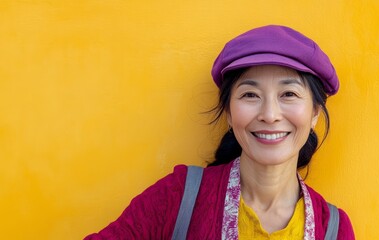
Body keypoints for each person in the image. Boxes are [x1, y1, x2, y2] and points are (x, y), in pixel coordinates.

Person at [85, 25, 355, 239]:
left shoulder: (333, 228)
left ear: (315, 114)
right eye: (250, 94)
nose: (270, 114)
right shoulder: (179, 196)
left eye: (288, 94)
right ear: (228, 112)